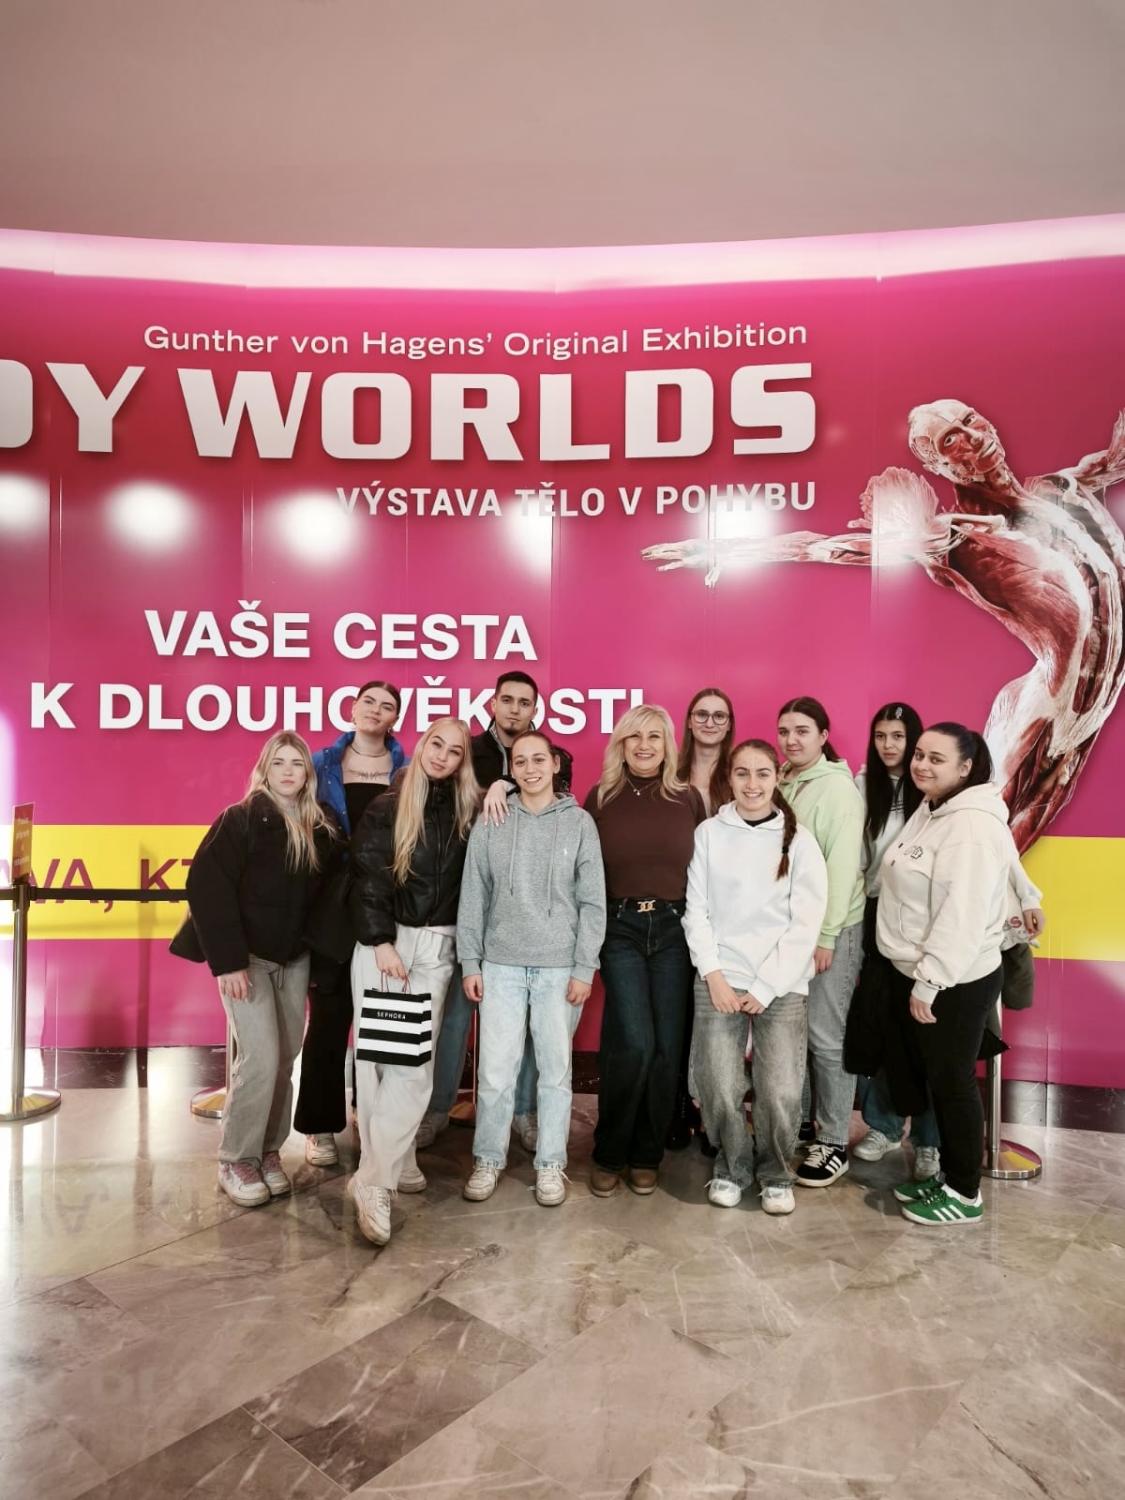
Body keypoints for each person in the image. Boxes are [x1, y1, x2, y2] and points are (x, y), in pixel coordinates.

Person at [643, 400, 1125, 852]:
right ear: (936, 463)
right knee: (977, 845)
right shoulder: (951, 537)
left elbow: (1114, 459)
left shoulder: (1063, 491)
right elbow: (824, 546)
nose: (972, 438)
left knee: (1001, 857)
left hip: (1085, 716)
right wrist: (719, 548)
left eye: (969, 422)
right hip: (1045, 711)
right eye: (950, 440)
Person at [171, 732, 339, 1207]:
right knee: (261, 1058)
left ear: (308, 773)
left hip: (294, 962)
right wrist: (228, 963)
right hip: (247, 962)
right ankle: (236, 1157)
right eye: (279, 762)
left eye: (297, 763)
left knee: (284, 1059)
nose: (288, 771)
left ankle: (267, 1151)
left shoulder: (319, 827)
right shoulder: (239, 819)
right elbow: (207, 888)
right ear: (265, 768)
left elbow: (327, 898)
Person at [416, 671, 570, 1153]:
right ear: (493, 703)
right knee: (455, 1017)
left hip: (523, 915)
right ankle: (438, 1108)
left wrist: (507, 783)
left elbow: (553, 811)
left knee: (526, 1030)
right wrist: (495, 786)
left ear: (535, 710)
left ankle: (522, 1112)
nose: (515, 709)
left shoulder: (554, 757)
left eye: (525, 702)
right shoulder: (469, 752)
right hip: (465, 898)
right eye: (507, 700)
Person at [877, 723, 1020, 1225]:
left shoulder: (970, 826)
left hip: (954, 981)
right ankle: (950, 1177)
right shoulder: (935, 807)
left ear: (966, 767)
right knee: (940, 1079)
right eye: (919, 755)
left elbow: (961, 913)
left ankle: (964, 1192)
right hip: (924, 970)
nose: (921, 765)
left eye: (936, 759)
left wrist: (930, 981)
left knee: (954, 1082)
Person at [457, 729, 606, 1207]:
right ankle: (488, 1159)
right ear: (511, 770)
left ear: (555, 764)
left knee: (556, 1074)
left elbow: (593, 902)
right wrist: (470, 961)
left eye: (538, 759)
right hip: (500, 964)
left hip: (558, 968)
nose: (530, 769)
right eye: (520, 761)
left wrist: (584, 967)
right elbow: (474, 894)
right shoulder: (493, 819)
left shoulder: (579, 823)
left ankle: (550, 1165)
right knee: (495, 1073)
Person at [346, 718, 479, 1245]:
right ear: (422, 747)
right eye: (435, 745)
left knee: (412, 1065)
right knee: (378, 1064)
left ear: (464, 761)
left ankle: (378, 1171)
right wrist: (381, 942)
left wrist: (503, 790)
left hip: (437, 947)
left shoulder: (468, 811)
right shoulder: (388, 806)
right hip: (388, 945)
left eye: (454, 751)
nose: (442, 756)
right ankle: (383, 1173)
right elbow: (367, 878)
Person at [684, 740, 827, 1215]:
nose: (752, 783)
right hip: (720, 978)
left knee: (781, 1088)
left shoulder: (799, 841)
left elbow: (806, 923)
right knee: (718, 1084)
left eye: (762, 773)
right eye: (742, 773)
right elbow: (696, 910)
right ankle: (731, 1166)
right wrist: (714, 975)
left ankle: (776, 1174)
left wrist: (767, 987)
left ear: (776, 778)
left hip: (781, 984)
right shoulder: (710, 833)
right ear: (729, 777)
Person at [584, 704, 706, 1197]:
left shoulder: (688, 798)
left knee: (665, 1048)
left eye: (654, 736)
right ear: (621, 744)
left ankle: (646, 1154)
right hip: (620, 929)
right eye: (634, 736)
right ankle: (609, 1151)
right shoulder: (601, 797)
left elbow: (706, 873)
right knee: (633, 1042)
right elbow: (584, 872)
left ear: (668, 745)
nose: (644, 746)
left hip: (675, 929)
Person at [295, 681, 408, 1168]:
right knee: (328, 1017)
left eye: (387, 706)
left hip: (386, 906)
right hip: (331, 908)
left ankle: (369, 1110)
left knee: (380, 1020)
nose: (376, 710)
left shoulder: (407, 770)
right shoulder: (321, 763)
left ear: (395, 718)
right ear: (353, 708)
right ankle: (319, 1126)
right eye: (369, 702)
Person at [850, 703, 942, 1179]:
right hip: (874, 915)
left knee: (925, 1030)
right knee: (882, 1025)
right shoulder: (862, 784)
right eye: (881, 736)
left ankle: (929, 1140)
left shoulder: (934, 790)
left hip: (923, 922)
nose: (889, 745)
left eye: (899, 737)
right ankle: (883, 1126)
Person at [777, 696, 865, 1188]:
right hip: (792, 931)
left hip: (832, 931)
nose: (791, 740)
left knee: (827, 1038)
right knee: (797, 1034)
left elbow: (842, 868)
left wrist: (827, 936)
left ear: (824, 737)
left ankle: (833, 1142)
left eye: (802, 731)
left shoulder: (836, 790)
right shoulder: (782, 780)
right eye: (784, 731)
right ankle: (804, 1127)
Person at [669, 687, 737, 1152]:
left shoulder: (740, 774)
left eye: (719, 716)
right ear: (689, 721)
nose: (710, 722)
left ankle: (716, 1115)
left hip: (727, 914)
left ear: (729, 724)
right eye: (702, 714)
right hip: (677, 906)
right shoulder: (670, 774)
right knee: (679, 1015)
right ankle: (679, 1108)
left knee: (717, 1022)